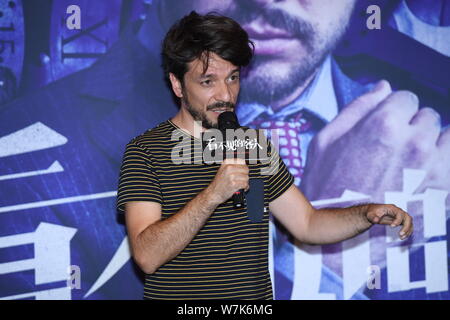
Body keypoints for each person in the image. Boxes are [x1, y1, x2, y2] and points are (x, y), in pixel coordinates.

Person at [117, 11, 413, 300]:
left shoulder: (252, 146)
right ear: (178, 84)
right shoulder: (146, 152)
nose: (225, 94)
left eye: (232, 78)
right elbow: (147, 256)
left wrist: (366, 213)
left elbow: (308, 224)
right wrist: (213, 195)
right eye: (208, 81)